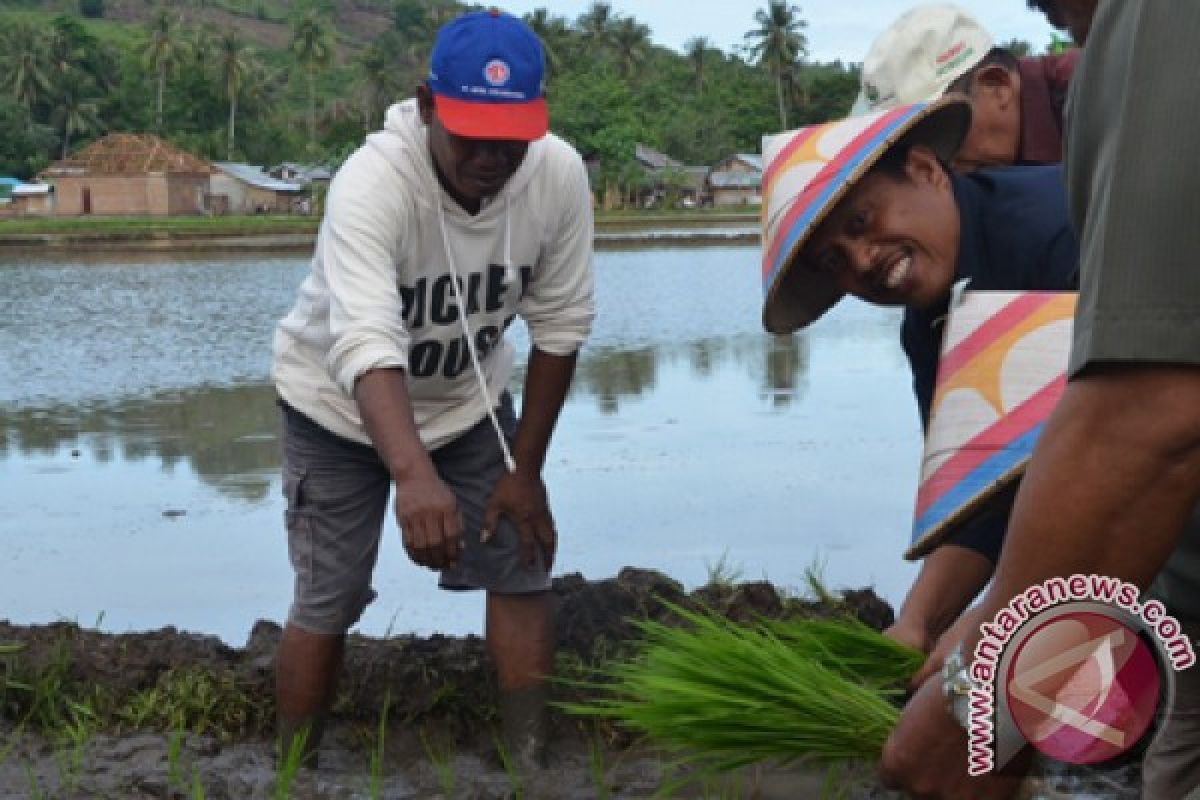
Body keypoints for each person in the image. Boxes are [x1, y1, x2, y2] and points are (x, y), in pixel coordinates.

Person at [879, 2, 1200, 798]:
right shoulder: (946, 297)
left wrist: (982, 692)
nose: (949, 165)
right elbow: (989, 489)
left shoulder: (1140, 56)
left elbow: (1145, 419)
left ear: (994, 89)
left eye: (941, 145)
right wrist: (926, 625)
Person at [270, 8, 595, 773]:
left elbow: (561, 326)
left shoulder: (557, 174)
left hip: (468, 403)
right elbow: (366, 344)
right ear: (426, 107)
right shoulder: (372, 183)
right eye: (470, 133)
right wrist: (413, 477)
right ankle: (291, 773)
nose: (490, 155)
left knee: (521, 561)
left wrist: (525, 470)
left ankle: (528, 763)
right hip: (334, 408)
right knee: (332, 594)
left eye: (509, 136)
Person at [853, 3, 1078, 172]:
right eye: (908, 143)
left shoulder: (1092, 100)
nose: (929, 162)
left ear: (997, 86)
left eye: (940, 129)